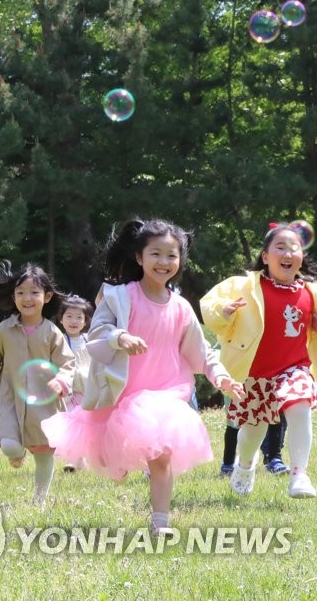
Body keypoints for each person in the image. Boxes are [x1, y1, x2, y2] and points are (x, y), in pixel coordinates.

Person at [43, 218, 243, 536]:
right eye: (156, 254)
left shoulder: (180, 307)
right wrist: (119, 337)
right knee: (113, 465)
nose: (164, 262)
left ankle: (159, 522)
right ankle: (119, 464)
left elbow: (201, 350)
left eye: (171, 255)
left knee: (161, 458)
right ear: (139, 257)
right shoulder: (121, 297)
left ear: (180, 260)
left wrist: (220, 377)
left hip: (165, 395)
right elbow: (97, 332)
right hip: (120, 395)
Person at [200, 222, 317, 498]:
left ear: (302, 257)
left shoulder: (311, 292)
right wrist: (225, 311)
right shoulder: (243, 286)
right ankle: (244, 465)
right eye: (280, 247)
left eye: (294, 248)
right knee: (253, 431)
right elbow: (210, 305)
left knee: (300, 406)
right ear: (265, 256)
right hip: (254, 374)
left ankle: (300, 475)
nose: (288, 253)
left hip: (295, 369)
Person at [0, 261, 75, 504]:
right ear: (13, 296)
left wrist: (61, 381)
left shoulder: (52, 332)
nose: (27, 298)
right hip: (10, 399)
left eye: (34, 292)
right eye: (20, 293)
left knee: (43, 455)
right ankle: (16, 454)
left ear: (47, 296)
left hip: (45, 402)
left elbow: (67, 363)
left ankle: (39, 499)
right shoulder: (4, 329)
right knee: (10, 446)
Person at [56, 294, 94, 472]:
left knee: (85, 426)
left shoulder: (90, 340)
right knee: (71, 424)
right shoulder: (58, 340)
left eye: (79, 317)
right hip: (67, 391)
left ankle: (81, 460)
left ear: (86, 321)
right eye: (69, 316)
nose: (74, 321)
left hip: (86, 390)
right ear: (61, 319)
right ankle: (73, 460)